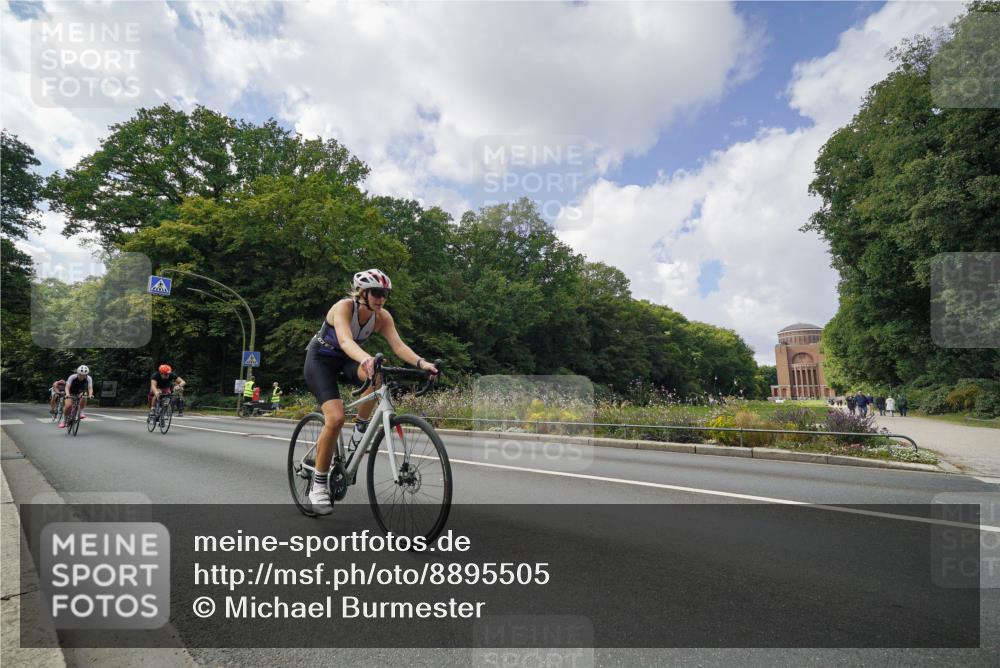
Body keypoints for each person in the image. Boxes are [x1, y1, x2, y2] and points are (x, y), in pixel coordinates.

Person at [303, 269, 439, 515]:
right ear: (362, 292)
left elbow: (398, 346)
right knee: (334, 419)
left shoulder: (382, 317)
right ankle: (319, 485)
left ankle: (361, 428)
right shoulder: (343, 307)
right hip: (320, 360)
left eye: (385, 294)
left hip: (347, 361)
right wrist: (367, 359)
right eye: (376, 292)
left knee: (378, 375)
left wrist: (422, 363)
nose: (381, 298)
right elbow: (345, 341)